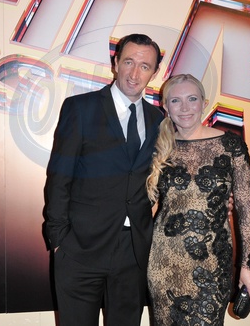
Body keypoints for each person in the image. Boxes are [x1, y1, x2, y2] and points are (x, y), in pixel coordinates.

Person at [43, 33, 164, 326]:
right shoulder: (81, 108)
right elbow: (59, 177)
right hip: (80, 247)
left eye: (144, 66)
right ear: (115, 62)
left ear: (155, 72)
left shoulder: (158, 119)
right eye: (129, 62)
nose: (134, 74)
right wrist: (59, 240)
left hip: (133, 250)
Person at [146, 74, 250, 326]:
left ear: (204, 103)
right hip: (163, 262)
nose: (184, 108)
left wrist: (247, 266)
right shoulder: (158, 148)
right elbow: (143, 204)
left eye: (192, 99)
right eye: (175, 101)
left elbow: (245, 210)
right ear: (166, 107)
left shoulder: (230, 145)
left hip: (212, 262)